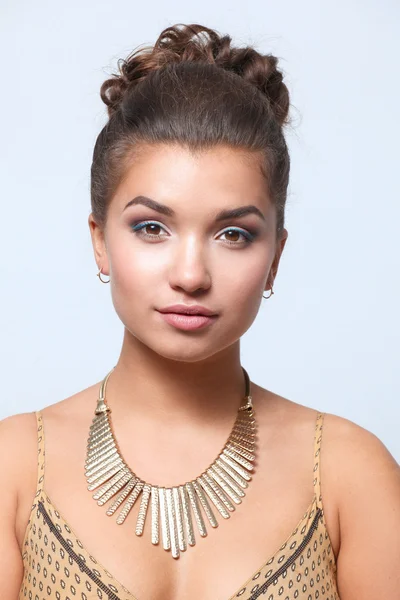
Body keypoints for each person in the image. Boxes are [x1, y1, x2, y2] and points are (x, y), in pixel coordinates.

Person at [1, 22, 399, 600]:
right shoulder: (15, 470)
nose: (190, 275)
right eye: (151, 228)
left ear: (275, 256)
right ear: (99, 241)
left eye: (234, 233)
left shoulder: (348, 474)